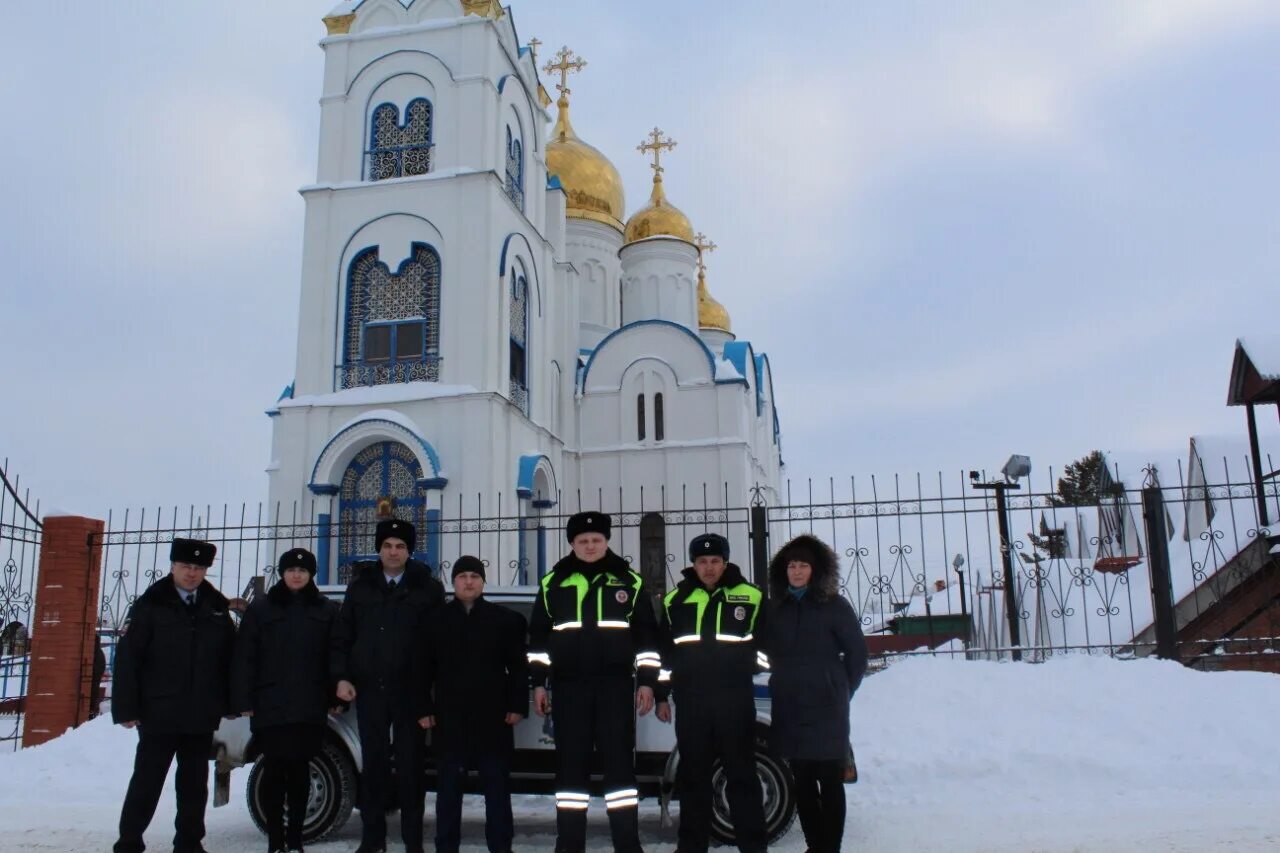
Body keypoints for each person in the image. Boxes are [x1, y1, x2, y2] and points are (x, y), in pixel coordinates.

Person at [527, 511, 660, 853]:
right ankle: (569, 845)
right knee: (571, 774)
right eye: (583, 541)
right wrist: (539, 683)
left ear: (606, 541)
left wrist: (646, 682)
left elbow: (647, 638)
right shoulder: (553, 583)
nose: (589, 546)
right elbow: (538, 640)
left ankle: (627, 844)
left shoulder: (628, 582)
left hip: (615, 688)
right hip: (569, 688)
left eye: (596, 540)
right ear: (572, 543)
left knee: (620, 774)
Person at [112, 537, 237, 853]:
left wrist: (231, 702)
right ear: (173, 566)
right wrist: (127, 708)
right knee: (147, 781)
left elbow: (230, 659)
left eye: (199, 567)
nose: (192, 573)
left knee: (194, 785)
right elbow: (129, 658)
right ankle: (129, 840)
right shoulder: (151, 604)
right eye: (186, 566)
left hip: (199, 712)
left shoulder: (216, 607)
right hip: (159, 712)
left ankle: (189, 842)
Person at [336, 518, 445, 853]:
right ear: (379, 549)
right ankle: (373, 840)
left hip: (412, 694)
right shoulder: (360, 588)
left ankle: (413, 841)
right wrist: (342, 677)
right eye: (387, 546)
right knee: (374, 767)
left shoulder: (427, 588)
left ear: (409, 551)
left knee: (412, 769)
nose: (393, 551)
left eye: (400, 546)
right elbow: (343, 636)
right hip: (370, 690)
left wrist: (431, 693)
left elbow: (439, 643)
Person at [655, 533, 768, 853]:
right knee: (693, 780)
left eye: (715, 561)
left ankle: (754, 847)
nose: (709, 568)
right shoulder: (675, 601)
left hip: (735, 701)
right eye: (702, 562)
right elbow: (665, 656)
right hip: (692, 703)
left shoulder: (752, 597)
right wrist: (662, 695)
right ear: (693, 564)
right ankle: (691, 847)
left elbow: (767, 649)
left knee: (742, 778)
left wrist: (745, 663)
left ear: (725, 562)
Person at [232, 547, 343, 853]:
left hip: (309, 705)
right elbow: (246, 657)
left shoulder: (325, 610)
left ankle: (295, 838)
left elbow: (335, 654)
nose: (297, 575)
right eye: (292, 570)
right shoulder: (261, 609)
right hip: (270, 703)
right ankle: (275, 839)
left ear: (311, 575)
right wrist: (242, 698)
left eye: (303, 571)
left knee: (300, 771)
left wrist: (335, 693)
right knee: (274, 771)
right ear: (282, 573)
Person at [765, 534, 868, 853]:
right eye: (791, 565)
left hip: (827, 707)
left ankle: (830, 847)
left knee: (831, 780)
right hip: (790, 705)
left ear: (816, 570)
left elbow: (857, 654)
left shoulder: (834, 606)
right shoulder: (776, 608)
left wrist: (839, 689)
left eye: (803, 565)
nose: (796, 571)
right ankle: (814, 845)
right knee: (803, 782)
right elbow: (765, 649)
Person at [422, 555, 529, 853]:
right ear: (452, 582)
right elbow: (421, 670)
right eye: (462, 576)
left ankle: (500, 845)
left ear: (483, 582)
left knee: (496, 791)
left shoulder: (503, 621)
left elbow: (518, 667)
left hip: (493, 720)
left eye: (474, 576)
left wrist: (517, 705)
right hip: (449, 720)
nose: (468, 582)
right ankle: (446, 846)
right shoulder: (435, 622)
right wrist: (424, 709)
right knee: (448, 793)